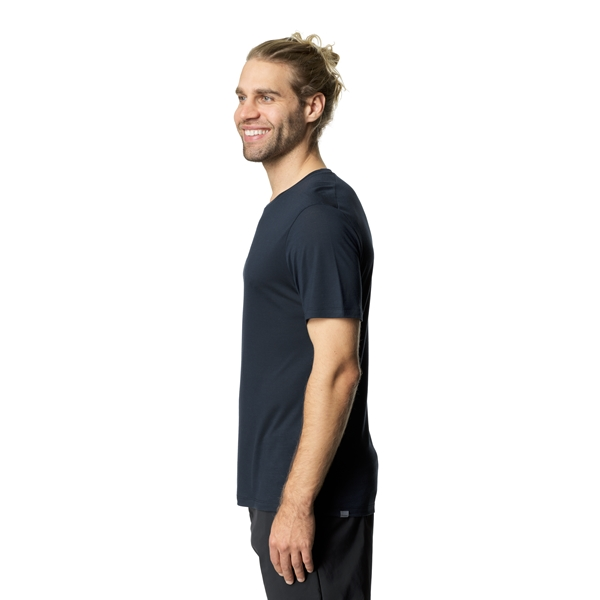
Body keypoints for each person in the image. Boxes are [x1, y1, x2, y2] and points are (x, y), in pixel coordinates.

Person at [234, 33, 378, 599]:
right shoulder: (287, 208)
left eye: (267, 97)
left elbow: (340, 367)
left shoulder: (319, 217)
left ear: (312, 107)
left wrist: (296, 504)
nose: (247, 112)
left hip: (311, 498)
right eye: (242, 96)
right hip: (283, 488)